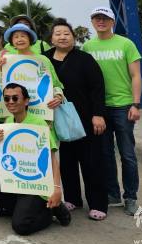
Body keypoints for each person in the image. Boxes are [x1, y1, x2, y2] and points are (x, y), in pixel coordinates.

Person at [0, 83, 71, 235]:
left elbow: (52, 159)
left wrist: (56, 189)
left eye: (15, 98)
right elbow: (8, 157)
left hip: (35, 185)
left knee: (21, 227)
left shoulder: (39, 123)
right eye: (7, 98)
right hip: (17, 181)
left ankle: (51, 212)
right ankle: (21, 209)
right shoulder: (8, 122)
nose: (11, 102)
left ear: (26, 101)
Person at [44, 19, 108, 221]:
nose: (62, 37)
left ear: (73, 37)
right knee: (66, 161)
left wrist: (98, 114)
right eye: (58, 34)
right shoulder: (43, 59)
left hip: (85, 119)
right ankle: (72, 198)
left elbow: (98, 88)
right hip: (54, 120)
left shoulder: (85, 59)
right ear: (51, 38)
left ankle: (98, 203)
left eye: (66, 33)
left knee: (91, 162)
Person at [82, 6, 142, 216]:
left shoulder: (126, 44)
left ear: (112, 21)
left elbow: (136, 75)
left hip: (124, 106)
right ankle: (112, 192)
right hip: (100, 108)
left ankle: (131, 197)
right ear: (92, 22)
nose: (101, 22)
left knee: (127, 154)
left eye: (105, 18)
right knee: (105, 154)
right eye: (97, 18)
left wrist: (136, 104)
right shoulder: (87, 47)